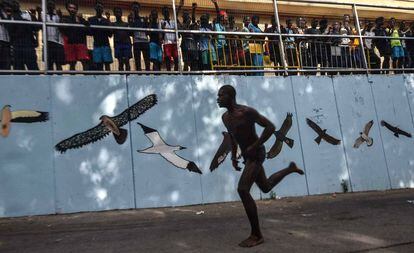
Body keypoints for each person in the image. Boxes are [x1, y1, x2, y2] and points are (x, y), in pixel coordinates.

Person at [216, 84, 304, 248]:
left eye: (221, 95)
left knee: (243, 189)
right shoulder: (225, 118)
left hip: (257, 155)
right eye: (218, 95)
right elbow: (233, 137)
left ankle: (256, 235)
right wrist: (234, 157)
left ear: (230, 96)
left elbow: (270, 127)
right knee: (265, 186)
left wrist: (255, 145)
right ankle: (290, 168)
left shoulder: (247, 112)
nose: (217, 99)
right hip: (248, 156)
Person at [7, 0, 40, 70]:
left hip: (28, 45)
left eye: (16, 3)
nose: (14, 5)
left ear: (19, 5)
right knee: (19, 71)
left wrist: (34, 16)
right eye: (12, 4)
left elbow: (37, 27)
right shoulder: (9, 16)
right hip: (17, 46)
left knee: (33, 70)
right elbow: (10, 30)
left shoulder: (27, 14)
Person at [61, 0, 90, 71]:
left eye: (74, 8)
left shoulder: (81, 19)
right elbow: (62, 30)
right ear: (67, 8)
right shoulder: (65, 19)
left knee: (84, 61)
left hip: (80, 43)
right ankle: (72, 79)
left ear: (76, 9)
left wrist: (85, 23)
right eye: (70, 7)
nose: (72, 10)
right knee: (72, 63)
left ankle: (87, 79)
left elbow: (87, 27)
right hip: (70, 43)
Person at [88, 1, 113, 71]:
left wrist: (109, 21)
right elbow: (90, 33)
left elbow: (110, 34)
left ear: (103, 9)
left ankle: (109, 79)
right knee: (98, 64)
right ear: (95, 8)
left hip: (106, 44)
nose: (99, 9)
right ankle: (101, 80)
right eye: (98, 7)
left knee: (107, 64)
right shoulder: (91, 19)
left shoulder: (106, 21)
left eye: (101, 7)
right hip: (97, 45)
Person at [178, 1, 199, 71]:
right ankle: (185, 77)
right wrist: (179, 7)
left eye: (187, 15)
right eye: (185, 15)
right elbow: (182, 31)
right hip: (185, 44)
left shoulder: (192, 24)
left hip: (193, 44)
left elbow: (193, 18)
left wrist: (193, 9)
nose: (187, 16)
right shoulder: (181, 25)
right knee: (186, 62)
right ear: (183, 17)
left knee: (194, 62)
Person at [129, 1, 150, 71]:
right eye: (134, 8)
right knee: (137, 59)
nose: (135, 9)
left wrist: (147, 22)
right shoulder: (131, 19)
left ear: (139, 8)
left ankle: (148, 74)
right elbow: (130, 32)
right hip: (136, 42)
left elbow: (147, 31)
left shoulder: (143, 19)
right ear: (132, 9)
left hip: (145, 41)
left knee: (147, 59)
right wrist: (131, 20)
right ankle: (139, 73)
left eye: (136, 7)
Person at [112, 7, 132, 71]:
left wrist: (131, 22)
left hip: (126, 43)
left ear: (121, 13)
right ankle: (121, 79)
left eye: (119, 12)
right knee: (120, 62)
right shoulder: (113, 24)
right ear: (114, 14)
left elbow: (130, 33)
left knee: (127, 61)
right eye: (116, 12)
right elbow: (110, 33)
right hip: (118, 44)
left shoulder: (126, 24)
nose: (118, 13)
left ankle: (128, 78)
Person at [160, 6, 178, 71]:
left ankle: (176, 73)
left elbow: (176, 31)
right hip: (167, 43)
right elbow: (161, 34)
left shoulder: (173, 22)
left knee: (176, 58)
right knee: (168, 59)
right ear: (163, 13)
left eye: (167, 11)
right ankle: (169, 73)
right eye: (165, 12)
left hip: (174, 43)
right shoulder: (161, 22)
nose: (166, 13)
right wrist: (163, 28)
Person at [0, 0, 11, 70]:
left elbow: (8, 26)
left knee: (6, 63)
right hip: (1, 39)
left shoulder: (7, 14)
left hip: (6, 41)